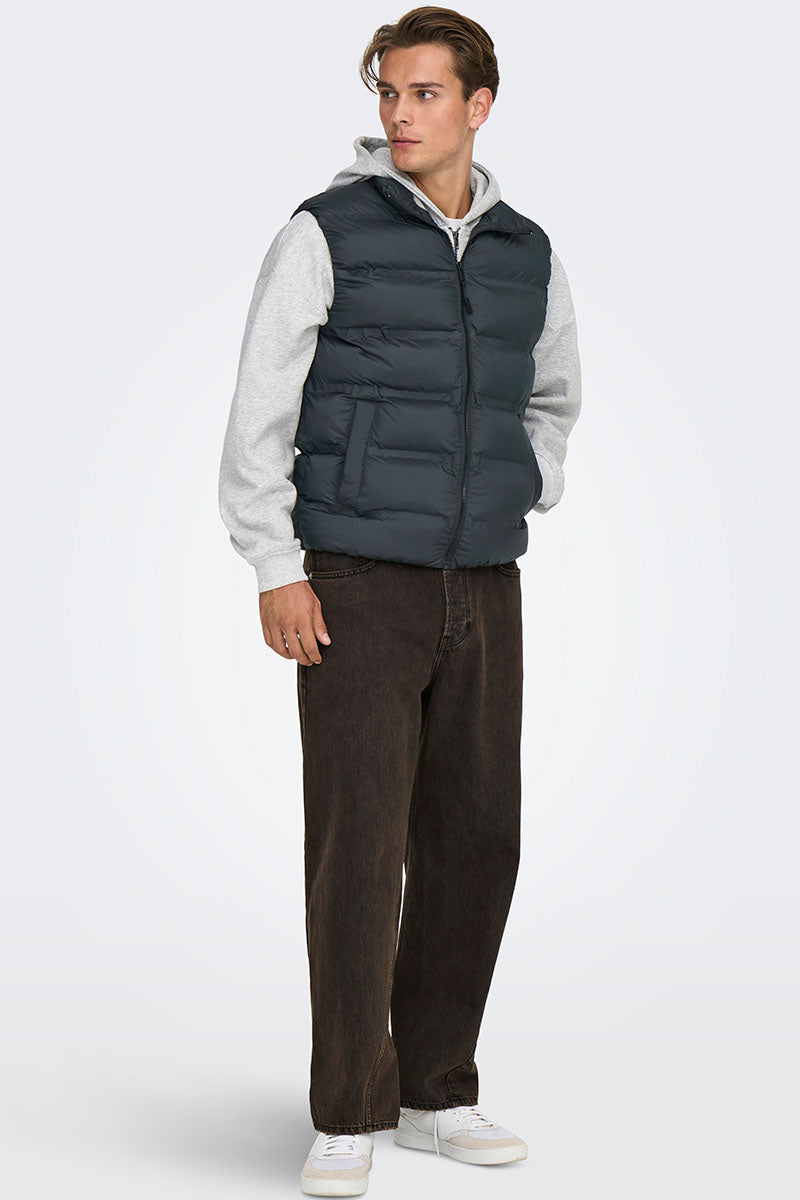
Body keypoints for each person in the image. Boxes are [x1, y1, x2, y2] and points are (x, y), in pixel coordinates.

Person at [218, 7, 582, 1195]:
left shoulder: (526, 249)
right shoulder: (325, 231)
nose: (399, 113)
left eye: (423, 93)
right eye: (387, 91)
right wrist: (276, 564)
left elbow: (552, 394)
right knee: (359, 849)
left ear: (479, 105)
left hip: (483, 579)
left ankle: (434, 1090)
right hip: (356, 582)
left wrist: (525, 484)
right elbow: (260, 403)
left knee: (476, 840)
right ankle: (346, 1108)